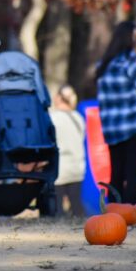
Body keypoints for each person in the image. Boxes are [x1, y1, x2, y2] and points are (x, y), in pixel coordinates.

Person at [96, 21, 136, 205]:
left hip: (112, 129)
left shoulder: (104, 65)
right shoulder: (133, 61)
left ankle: (113, 211)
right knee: (133, 176)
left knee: (116, 174)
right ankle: (129, 213)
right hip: (135, 126)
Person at [49, 85, 86, 217]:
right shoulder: (78, 118)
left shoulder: (52, 118)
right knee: (77, 207)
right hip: (77, 169)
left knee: (58, 209)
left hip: (59, 170)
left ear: (58, 98)